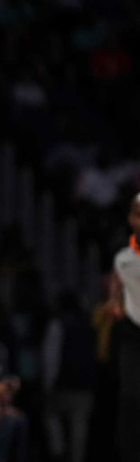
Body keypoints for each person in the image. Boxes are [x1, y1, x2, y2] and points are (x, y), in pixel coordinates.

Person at [108, 192, 140, 462]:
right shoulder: (122, 257)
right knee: (131, 398)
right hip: (132, 333)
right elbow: (114, 294)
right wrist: (115, 305)